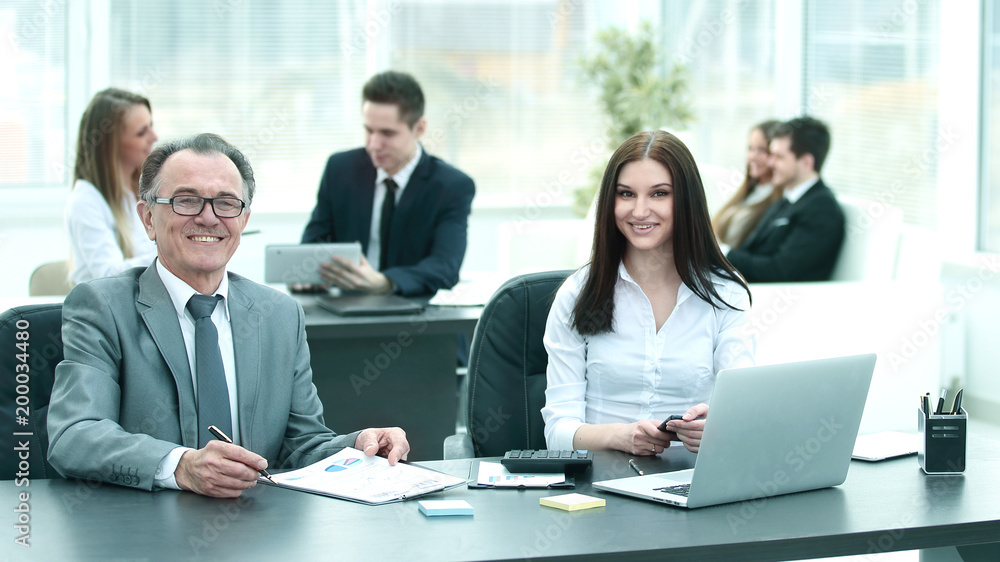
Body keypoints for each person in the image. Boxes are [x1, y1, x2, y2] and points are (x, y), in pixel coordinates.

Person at [48, 133, 409, 498]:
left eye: (226, 203)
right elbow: (75, 435)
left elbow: (301, 446)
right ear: (148, 219)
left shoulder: (279, 315)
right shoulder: (101, 307)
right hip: (144, 537)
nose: (208, 218)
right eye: (186, 201)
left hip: (257, 535)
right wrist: (180, 466)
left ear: (243, 220)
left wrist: (359, 445)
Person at [541, 130, 755, 456]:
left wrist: (719, 424)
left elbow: (743, 407)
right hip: (600, 487)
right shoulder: (576, 294)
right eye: (626, 194)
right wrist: (619, 436)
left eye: (659, 194)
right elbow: (557, 432)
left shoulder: (725, 294)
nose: (639, 211)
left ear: (686, 201)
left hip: (691, 484)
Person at [299, 70, 475, 296]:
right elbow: (314, 243)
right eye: (369, 130)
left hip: (413, 311)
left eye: (387, 134)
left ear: (419, 128)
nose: (374, 144)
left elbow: (445, 267)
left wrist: (386, 282)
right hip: (346, 310)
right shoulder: (340, 169)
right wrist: (305, 275)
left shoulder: (451, 186)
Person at [725, 116, 845, 282]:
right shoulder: (788, 198)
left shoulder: (821, 209)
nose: (770, 162)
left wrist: (723, 254)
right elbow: (751, 250)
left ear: (806, 163)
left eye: (779, 157)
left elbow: (780, 270)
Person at [65, 88, 160, 284]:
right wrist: (172, 256)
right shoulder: (86, 201)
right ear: (111, 144)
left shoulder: (142, 191)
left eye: (151, 126)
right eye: (142, 132)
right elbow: (109, 275)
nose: (154, 136)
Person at [712, 119, 782, 249]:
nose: (752, 156)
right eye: (751, 148)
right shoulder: (749, 191)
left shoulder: (777, 203)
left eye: (761, 150)